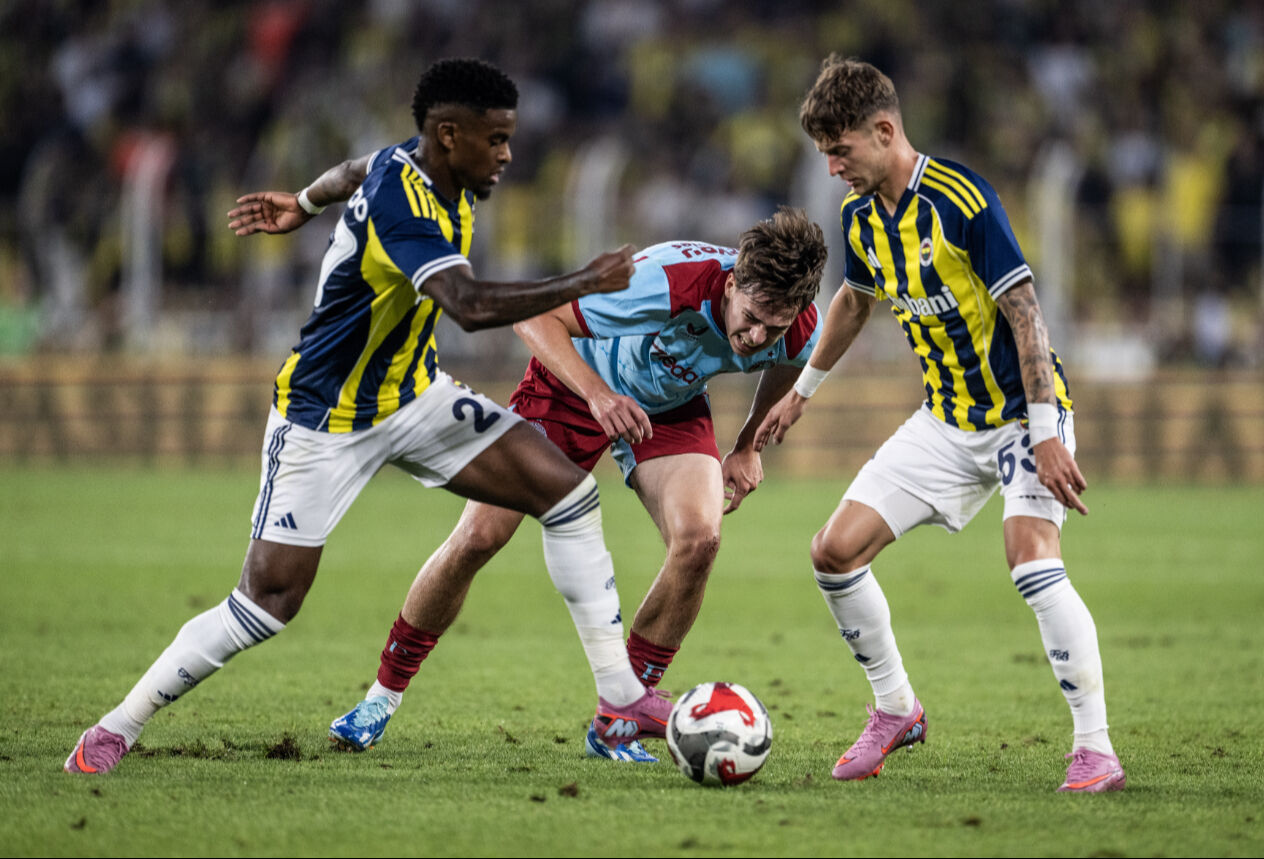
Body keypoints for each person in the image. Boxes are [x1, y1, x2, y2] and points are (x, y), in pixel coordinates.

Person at [64, 58, 666, 775]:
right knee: (268, 600)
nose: (508, 154)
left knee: (567, 491)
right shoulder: (406, 210)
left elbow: (359, 164)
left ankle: (621, 694)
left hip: (413, 397)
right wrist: (583, 281)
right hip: (324, 418)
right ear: (449, 135)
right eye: (495, 138)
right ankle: (115, 726)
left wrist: (302, 201)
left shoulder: (420, 166)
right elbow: (469, 308)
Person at [287, 205, 826, 761]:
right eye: (752, 316)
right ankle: (381, 696)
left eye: (775, 326)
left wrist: (746, 445)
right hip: (572, 389)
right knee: (479, 537)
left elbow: (789, 359)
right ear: (733, 282)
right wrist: (597, 395)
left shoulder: (794, 323)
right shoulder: (663, 281)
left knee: (700, 540)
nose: (756, 335)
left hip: (666, 406)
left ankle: (619, 717)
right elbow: (535, 319)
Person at [755, 56, 1125, 793]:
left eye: (840, 149)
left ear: (884, 130)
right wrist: (802, 392)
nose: (830, 167)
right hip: (945, 422)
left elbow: (1025, 313)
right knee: (832, 551)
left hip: (1023, 415)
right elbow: (855, 304)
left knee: (1032, 561)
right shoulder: (861, 218)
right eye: (823, 152)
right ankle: (895, 708)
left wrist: (1046, 431)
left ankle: (1096, 747)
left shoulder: (961, 199)